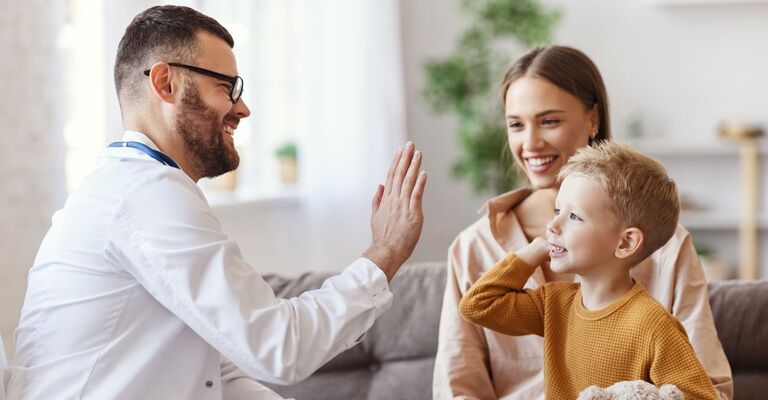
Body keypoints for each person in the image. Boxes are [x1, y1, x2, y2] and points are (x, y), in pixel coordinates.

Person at [3, 6, 427, 400]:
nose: (242, 108)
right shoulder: (145, 193)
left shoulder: (137, 187)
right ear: (166, 83)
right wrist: (384, 254)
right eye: (227, 87)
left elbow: (216, 372)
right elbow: (280, 348)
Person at [432, 45, 732, 399]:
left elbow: (706, 387)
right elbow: (458, 386)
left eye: (549, 121)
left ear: (593, 119)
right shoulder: (475, 250)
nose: (530, 143)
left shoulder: (665, 249)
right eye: (516, 124)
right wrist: (533, 252)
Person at [460, 142, 717, 399]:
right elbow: (477, 305)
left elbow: (701, 397)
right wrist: (530, 254)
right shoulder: (554, 304)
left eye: (574, 217)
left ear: (625, 242)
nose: (552, 225)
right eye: (558, 210)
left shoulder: (655, 326)